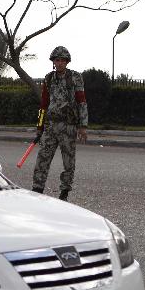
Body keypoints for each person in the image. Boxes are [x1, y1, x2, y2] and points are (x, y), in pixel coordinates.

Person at [31, 46, 88, 201]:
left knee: (68, 162)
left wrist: (83, 126)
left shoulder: (75, 77)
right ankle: (37, 189)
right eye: (57, 60)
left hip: (68, 127)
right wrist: (39, 127)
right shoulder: (48, 78)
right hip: (50, 126)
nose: (60, 63)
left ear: (67, 62)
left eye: (63, 60)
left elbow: (81, 101)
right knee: (42, 159)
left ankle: (64, 192)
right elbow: (43, 105)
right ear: (53, 62)